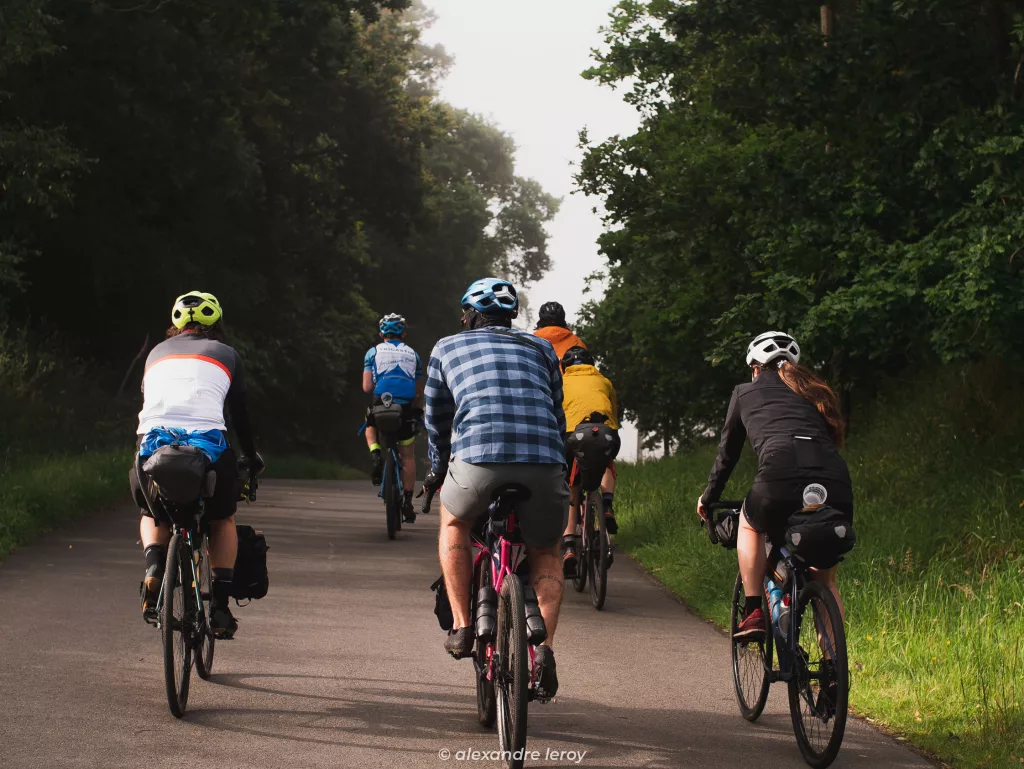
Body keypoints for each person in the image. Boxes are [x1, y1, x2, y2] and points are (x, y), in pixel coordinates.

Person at [424, 277, 569, 699]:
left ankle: (463, 626)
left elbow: (437, 420)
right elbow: (556, 414)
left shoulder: (446, 347)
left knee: (453, 523)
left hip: (477, 461)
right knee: (545, 549)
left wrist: (438, 470)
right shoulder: (542, 348)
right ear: (511, 317)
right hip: (544, 462)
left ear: (468, 315)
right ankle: (544, 651)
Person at [696, 331, 853, 641]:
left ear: (755, 368)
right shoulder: (813, 391)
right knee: (827, 581)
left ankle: (753, 610)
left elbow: (727, 456)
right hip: (835, 482)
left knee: (749, 522)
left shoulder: (744, 392)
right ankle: (834, 671)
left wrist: (708, 497)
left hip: (778, 479)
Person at [133, 291, 263, 639]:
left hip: (152, 446)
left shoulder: (155, 355)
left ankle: (154, 567)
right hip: (206, 447)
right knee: (222, 518)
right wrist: (251, 456)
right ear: (217, 324)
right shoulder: (227, 355)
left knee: (153, 512)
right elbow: (239, 416)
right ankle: (220, 607)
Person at [558, 346, 621, 576]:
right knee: (607, 464)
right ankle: (607, 504)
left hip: (573, 435)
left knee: (571, 483)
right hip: (605, 431)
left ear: (565, 366)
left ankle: (569, 546)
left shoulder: (561, 381)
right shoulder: (604, 381)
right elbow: (614, 411)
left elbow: (555, 414)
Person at [363, 313, 424, 523]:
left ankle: (376, 453)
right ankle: (407, 500)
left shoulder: (372, 352)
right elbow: (417, 393)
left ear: (381, 334)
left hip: (381, 405)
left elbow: (367, 387)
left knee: (369, 423)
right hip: (404, 409)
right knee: (407, 455)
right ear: (404, 333)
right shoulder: (414, 355)